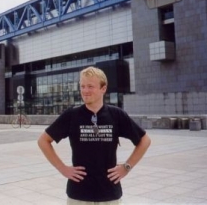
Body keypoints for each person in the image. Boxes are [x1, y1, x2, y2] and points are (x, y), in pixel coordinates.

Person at [38, 66, 151, 204]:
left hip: (109, 193)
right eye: (82, 86)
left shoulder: (116, 115)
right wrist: (62, 168)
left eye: (90, 86)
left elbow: (144, 140)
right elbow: (43, 141)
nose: (85, 91)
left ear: (103, 88)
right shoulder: (72, 115)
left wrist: (127, 167)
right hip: (79, 194)